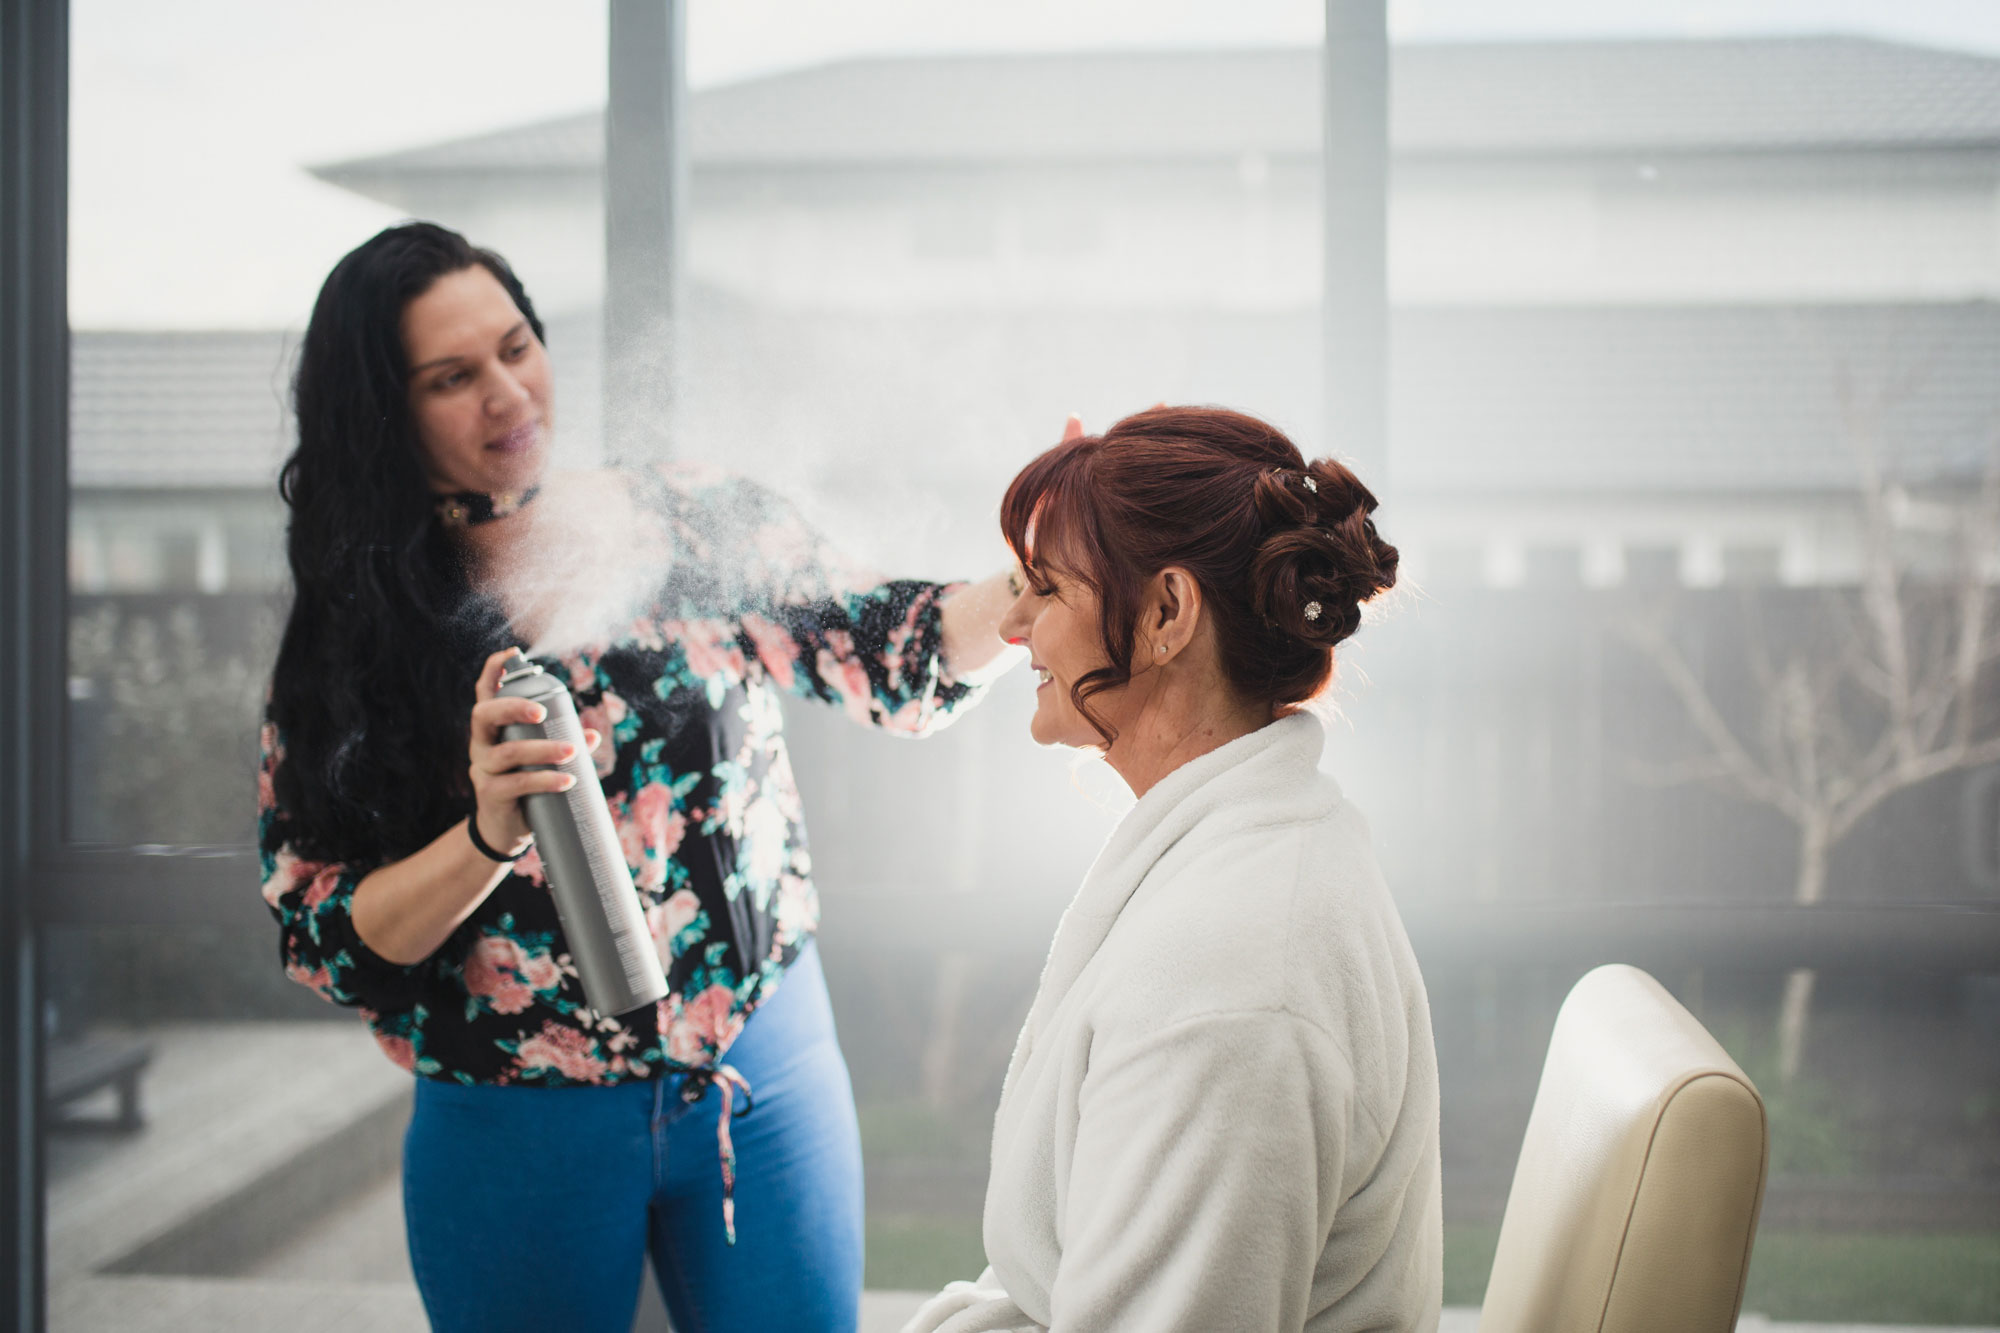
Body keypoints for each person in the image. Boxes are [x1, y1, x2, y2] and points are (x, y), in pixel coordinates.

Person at [258, 221, 1018, 1333]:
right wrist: (483, 838)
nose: (508, 394)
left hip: (764, 1074)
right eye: (451, 378)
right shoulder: (360, 639)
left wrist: (1042, 575)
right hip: (512, 1120)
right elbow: (324, 933)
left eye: (518, 347)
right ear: (385, 413)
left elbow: (890, 650)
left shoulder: (692, 521)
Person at [905, 407, 1443, 1333]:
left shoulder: (1232, 987)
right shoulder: (1249, 850)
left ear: (1164, 615)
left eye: (1043, 586)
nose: (1015, 623)